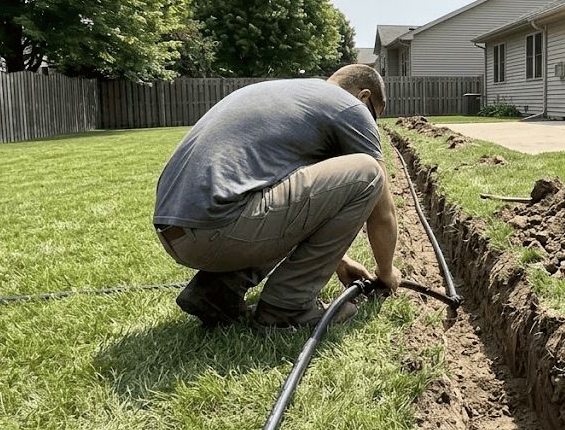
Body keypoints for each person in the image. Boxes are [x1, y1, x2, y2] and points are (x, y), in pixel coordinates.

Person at [153, 65, 400, 334]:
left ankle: (216, 293)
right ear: (364, 97)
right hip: (217, 229)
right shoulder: (349, 107)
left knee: (283, 189)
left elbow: (289, 202)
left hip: (179, 231)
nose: (371, 126)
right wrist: (386, 272)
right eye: (374, 116)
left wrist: (340, 261)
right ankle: (287, 308)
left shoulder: (290, 94)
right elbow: (383, 212)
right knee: (369, 173)